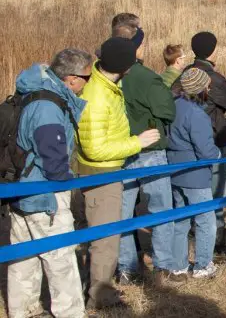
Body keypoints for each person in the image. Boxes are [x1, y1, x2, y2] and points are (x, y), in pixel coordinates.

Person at [76, 37, 160, 310]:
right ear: (125, 66)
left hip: (108, 170)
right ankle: (100, 299)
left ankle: (96, 291)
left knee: (103, 239)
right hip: (102, 174)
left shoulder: (106, 86)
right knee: (105, 241)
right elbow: (95, 148)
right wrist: (138, 142)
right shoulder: (98, 97)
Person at [7, 49, 91, 318]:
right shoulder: (48, 108)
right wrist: (66, 182)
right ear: (71, 79)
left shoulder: (36, 91)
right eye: (87, 77)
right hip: (44, 195)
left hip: (22, 188)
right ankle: (70, 313)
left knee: (24, 256)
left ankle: (24, 309)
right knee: (61, 258)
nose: (88, 83)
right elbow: (53, 161)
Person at [116, 14, 180, 286]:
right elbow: (167, 110)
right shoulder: (145, 77)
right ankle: (162, 265)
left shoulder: (103, 74)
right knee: (161, 210)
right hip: (150, 149)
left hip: (118, 151)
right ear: (136, 46)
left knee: (123, 214)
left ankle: (126, 269)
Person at [173, 31, 226, 255]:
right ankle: (216, 242)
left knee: (187, 197)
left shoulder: (183, 75)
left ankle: (194, 236)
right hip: (212, 143)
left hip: (184, 145)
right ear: (212, 50)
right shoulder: (213, 79)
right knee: (216, 194)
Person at [168, 68, 222, 279]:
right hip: (196, 175)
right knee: (205, 221)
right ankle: (202, 265)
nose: (209, 89)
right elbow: (206, 151)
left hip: (174, 170)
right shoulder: (196, 114)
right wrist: (217, 154)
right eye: (207, 86)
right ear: (200, 89)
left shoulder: (174, 107)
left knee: (180, 220)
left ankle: (178, 265)